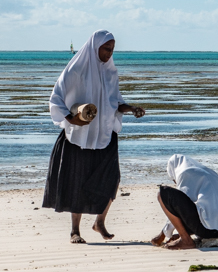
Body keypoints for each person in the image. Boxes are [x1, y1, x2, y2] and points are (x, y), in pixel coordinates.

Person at [43, 30, 145, 244]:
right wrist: (71, 120)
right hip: (79, 137)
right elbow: (56, 99)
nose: (109, 54)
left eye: (112, 50)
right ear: (94, 46)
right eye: (106, 48)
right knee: (76, 182)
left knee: (112, 179)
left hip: (105, 134)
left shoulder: (110, 73)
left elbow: (115, 103)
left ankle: (100, 222)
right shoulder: (76, 70)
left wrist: (132, 108)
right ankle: (75, 231)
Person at [154, 155, 218, 250]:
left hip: (209, 230)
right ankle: (185, 236)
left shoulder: (186, 173)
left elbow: (179, 210)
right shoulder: (210, 172)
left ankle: (186, 240)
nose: (174, 180)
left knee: (163, 193)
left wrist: (162, 235)